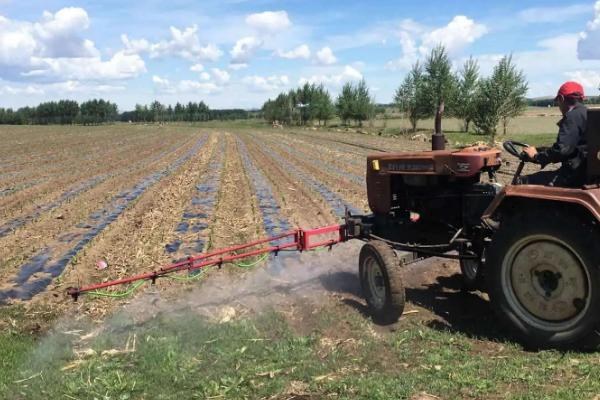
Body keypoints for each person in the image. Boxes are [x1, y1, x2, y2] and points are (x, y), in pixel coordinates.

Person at [521, 81, 588, 187]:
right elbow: (574, 147)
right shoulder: (588, 114)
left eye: (558, 102)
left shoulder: (572, 117)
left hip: (572, 176)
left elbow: (562, 150)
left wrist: (536, 156)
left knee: (522, 182)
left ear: (561, 99)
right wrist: (541, 150)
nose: (559, 106)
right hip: (585, 173)